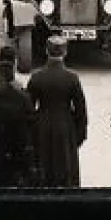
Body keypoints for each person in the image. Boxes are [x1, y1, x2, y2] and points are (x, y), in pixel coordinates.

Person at [25, 36, 88, 188]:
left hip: (42, 125)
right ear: (65, 52)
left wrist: (32, 131)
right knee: (66, 167)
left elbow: (28, 108)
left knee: (44, 165)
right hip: (65, 126)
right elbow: (81, 110)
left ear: (46, 51)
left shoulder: (37, 77)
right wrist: (78, 136)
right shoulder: (72, 78)